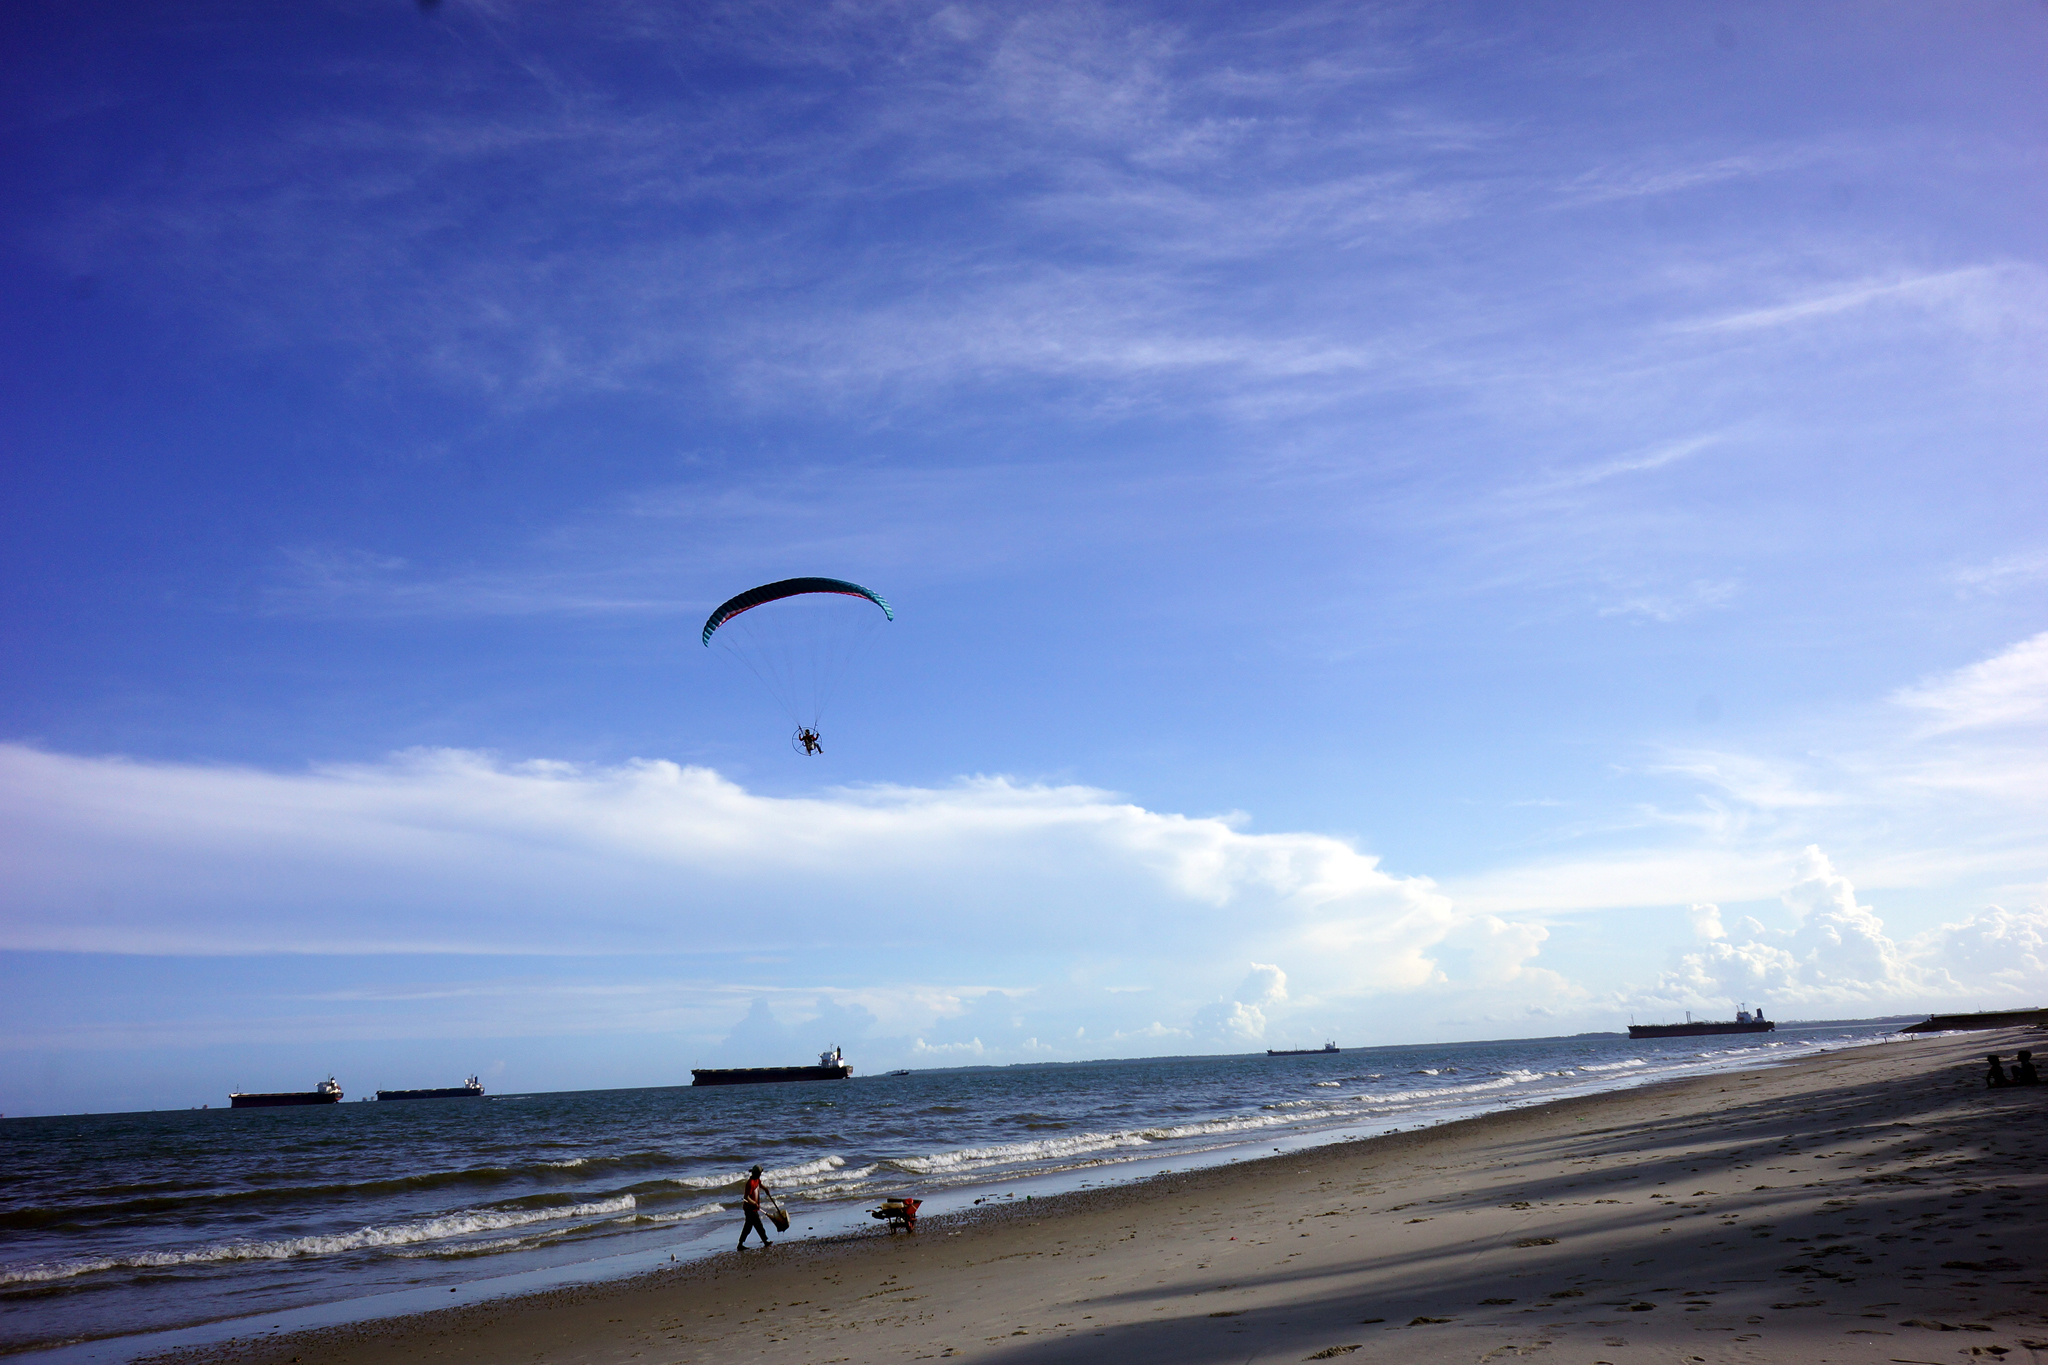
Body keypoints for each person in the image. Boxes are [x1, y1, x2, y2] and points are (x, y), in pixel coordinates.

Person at [738, 1165, 773, 1248]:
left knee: (748, 1227)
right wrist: (754, 1203)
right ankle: (765, 1241)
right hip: (749, 1209)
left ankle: (740, 1244)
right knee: (758, 1225)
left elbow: (760, 1185)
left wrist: (766, 1189)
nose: (760, 1174)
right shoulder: (750, 1183)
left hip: (753, 1208)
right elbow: (746, 1197)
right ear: (756, 1173)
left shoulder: (757, 1180)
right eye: (759, 1173)